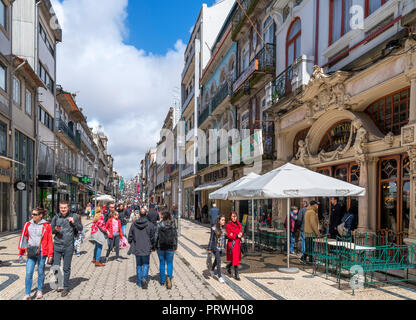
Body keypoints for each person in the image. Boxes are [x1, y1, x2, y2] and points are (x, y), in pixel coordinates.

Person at [18, 208, 53, 300]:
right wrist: (21, 252)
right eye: (32, 214)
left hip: (42, 252)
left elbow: (50, 240)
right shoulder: (27, 224)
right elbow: (23, 238)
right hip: (31, 252)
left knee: (41, 272)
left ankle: (39, 290)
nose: (32, 216)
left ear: (40, 215)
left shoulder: (46, 225)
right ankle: (27, 294)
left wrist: (50, 254)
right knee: (29, 273)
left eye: (35, 214)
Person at [51, 201, 83, 297]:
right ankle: (59, 283)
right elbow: (50, 230)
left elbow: (80, 228)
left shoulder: (74, 217)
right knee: (55, 266)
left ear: (68, 208)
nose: (63, 209)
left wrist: (74, 223)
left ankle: (65, 288)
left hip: (68, 246)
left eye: (65, 207)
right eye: (61, 207)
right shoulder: (56, 217)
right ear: (59, 208)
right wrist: (54, 230)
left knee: (66, 268)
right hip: (57, 245)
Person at [128, 208, 155, 289]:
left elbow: (130, 236)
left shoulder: (133, 224)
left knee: (139, 264)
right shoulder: (150, 225)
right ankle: (144, 279)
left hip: (137, 247)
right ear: (146, 214)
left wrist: (132, 243)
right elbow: (153, 237)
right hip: (146, 247)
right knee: (146, 264)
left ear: (139, 214)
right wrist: (153, 246)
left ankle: (140, 282)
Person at [154, 211, 178, 289]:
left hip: (160, 247)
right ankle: (169, 278)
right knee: (170, 263)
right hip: (170, 247)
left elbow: (156, 236)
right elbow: (175, 236)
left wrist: (154, 246)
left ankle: (162, 281)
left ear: (163, 216)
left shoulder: (159, 225)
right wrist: (175, 246)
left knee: (162, 263)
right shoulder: (173, 224)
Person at [208, 215, 226, 283]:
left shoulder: (224, 229)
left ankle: (212, 269)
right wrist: (209, 248)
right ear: (219, 221)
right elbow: (211, 239)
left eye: (224, 220)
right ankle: (220, 276)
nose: (224, 221)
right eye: (222, 220)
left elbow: (224, 238)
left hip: (221, 247)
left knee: (216, 260)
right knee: (219, 261)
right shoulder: (214, 228)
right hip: (215, 247)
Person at [226, 212, 243, 281]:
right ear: (230, 217)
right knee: (235, 258)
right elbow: (228, 235)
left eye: (235, 216)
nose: (234, 218)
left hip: (238, 243)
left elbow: (240, 231)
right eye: (233, 216)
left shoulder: (239, 224)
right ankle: (236, 274)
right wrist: (236, 235)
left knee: (236, 258)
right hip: (232, 244)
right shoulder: (228, 225)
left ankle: (228, 266)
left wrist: (240, 234)